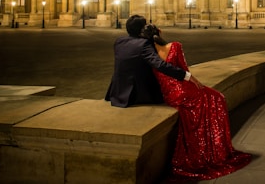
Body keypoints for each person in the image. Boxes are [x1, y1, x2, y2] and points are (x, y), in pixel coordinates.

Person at [142, 24, 252, 182]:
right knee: (217, 98)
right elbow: (185, 70)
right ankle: (216, 150)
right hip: (183, 90)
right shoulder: (175, 46)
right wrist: (196, 83)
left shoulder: (148, 53)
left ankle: (206, 149)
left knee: (202, 105)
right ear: (160, 32)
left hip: (170, 96)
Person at [104, 15, 201, 107]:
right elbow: (159, 64)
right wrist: (186, 75)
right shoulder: (144, 44)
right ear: (142, 29)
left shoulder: (119, 41)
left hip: (117, 92)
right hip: (136, 94)